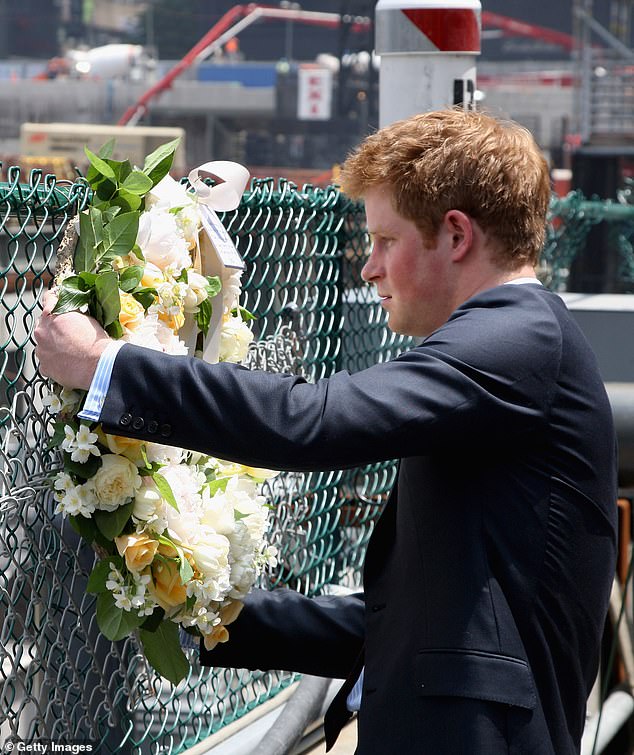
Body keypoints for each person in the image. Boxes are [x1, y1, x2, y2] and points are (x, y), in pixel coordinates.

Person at [35, 109, 618, 754]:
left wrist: (106, 366)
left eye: (386, 242)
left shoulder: (516, 338)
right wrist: (209, 614)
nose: (368, 269)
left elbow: (311, 421)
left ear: (455, 235)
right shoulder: (517, 340)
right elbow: (413, 623)